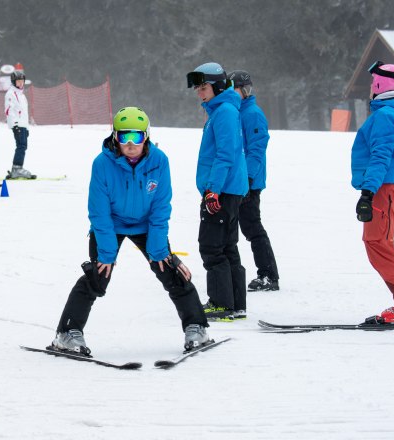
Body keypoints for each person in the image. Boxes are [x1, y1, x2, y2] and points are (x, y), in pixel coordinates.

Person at [51, 107, 210, 355]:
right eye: (124, 137)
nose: (130, 144)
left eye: (136, 137)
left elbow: (161, 206)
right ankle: (67, 334)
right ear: (115, 137)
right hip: (110, 224)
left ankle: (196, 327)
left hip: (146, 224)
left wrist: (158, 249)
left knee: (169, 270)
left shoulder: (159, 161)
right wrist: (106, 253)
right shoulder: (102, 164)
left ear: (146, 136)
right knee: (98, 276)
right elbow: (98, 211)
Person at [352, 61, 394, 324]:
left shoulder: (386, 116)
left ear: (381, 85)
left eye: (372, 82)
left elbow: (381, 157)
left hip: (383, 188)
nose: (369, 87)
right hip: (386, 188)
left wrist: (368, 192)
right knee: (376, 242)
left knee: (379, 243)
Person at [186, 62, 248, 321]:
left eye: (204, 87)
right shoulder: (223, 110)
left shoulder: (223, 112)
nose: (200, 93)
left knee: (212, 247)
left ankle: (222, 304)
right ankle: (235, 304)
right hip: (228, 189)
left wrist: (213, 191)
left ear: (218, 86)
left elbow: (225, 155)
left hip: (221, 191)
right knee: (227, 246)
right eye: (197, 88)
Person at [228, 70, 280, 292]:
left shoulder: (252, 114)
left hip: (249, 182)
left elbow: (256, 150)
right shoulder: (235, 112)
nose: (232, 93)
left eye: (235, 90)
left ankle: (269, 275)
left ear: (245, 90)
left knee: (251, 226)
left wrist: (248, 179)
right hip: (237, 181)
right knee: (233, 228)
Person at [4, 71, 35, 179]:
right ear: (13, 82)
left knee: (23, 146)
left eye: (22, 82)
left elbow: (23, 112)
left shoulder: (21, 95)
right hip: (17, 125)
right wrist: (15, 125)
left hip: (22, 125)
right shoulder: (11, 93)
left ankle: (18, 167)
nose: (21, 84)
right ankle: (17, 168)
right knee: (21, 146)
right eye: (18, 82)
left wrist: (26, 127)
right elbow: (9, 111)